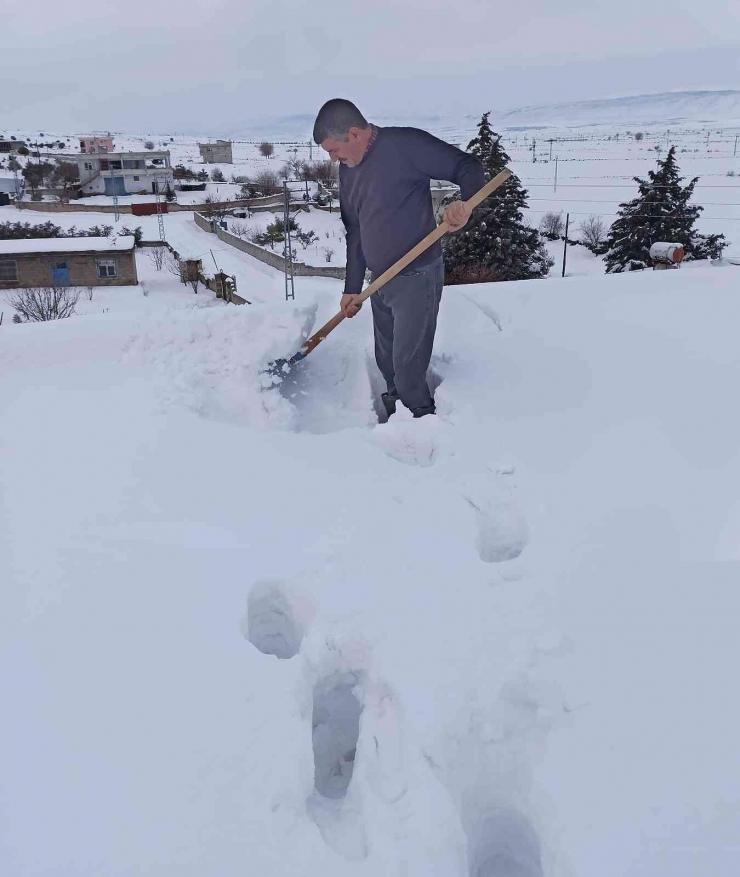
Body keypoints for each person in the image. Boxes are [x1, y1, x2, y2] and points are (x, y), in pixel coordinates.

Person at [313, 98, 486, 418]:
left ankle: (421, 423)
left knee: (408, 369)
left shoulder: (405, 145)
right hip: (379, 280)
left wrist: (466, 204)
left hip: (416, 278)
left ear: (353, 134)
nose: (333, 158)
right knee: (387, 360)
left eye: (333, 150)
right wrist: (352, 287)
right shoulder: (348, 170)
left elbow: (468, 167)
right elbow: (355, 229)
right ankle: (397, 416)